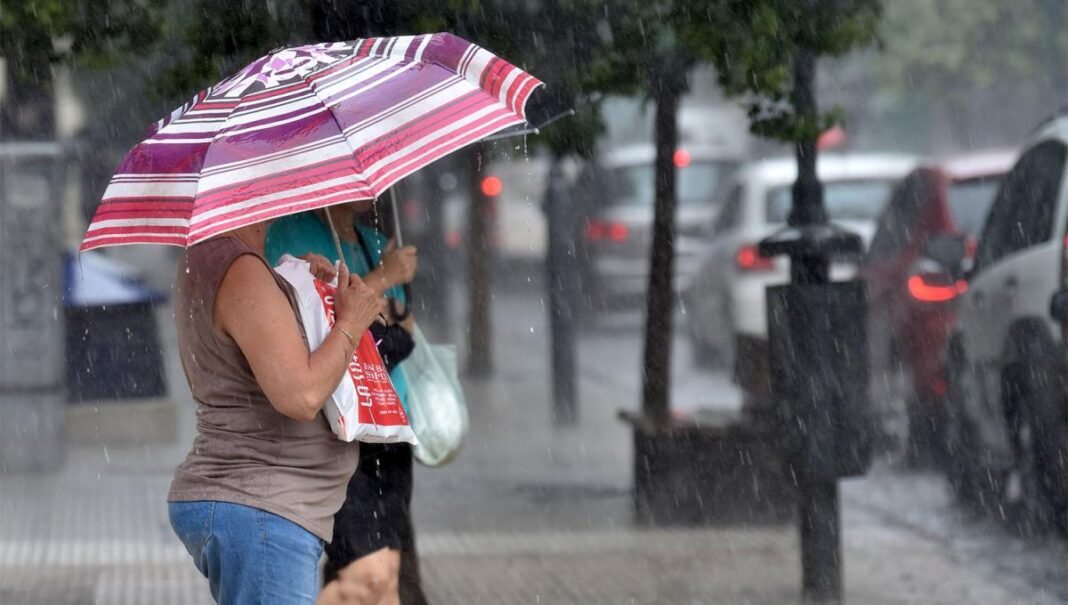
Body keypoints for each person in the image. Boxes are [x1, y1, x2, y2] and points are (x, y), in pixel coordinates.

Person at [167, 219, 386, 604]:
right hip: (264, 510)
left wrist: (295, 283)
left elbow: (250, 355)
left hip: (259, 507)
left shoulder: (225, 261)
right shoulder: (241, 269)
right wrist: (352, 321)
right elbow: (301, 395)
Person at [266, 200, 429, 605]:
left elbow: (402, 328)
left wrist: (381, 290)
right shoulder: (289, 236)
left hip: (390, 426)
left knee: (386, 578)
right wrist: (383, 278)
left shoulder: (376, 242)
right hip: (338, 431)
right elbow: (311, 322)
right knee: (364, 577)